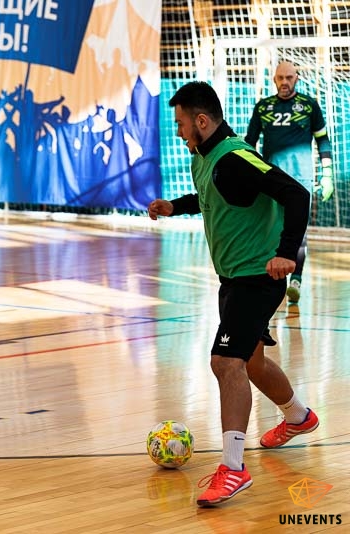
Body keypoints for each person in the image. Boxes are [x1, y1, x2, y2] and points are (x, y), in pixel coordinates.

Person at [148, 81, 320, 507]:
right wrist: (176, 206)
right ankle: (298, 416)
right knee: (252, 362)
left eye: (181, 124)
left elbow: (296, 194)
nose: (179, 132)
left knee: (225, 362)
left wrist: (286, 253)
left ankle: (233, 468)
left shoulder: (236, 157)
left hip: (257, 278)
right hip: (233, 279)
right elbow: (213, 196)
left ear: (202, 121)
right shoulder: (205, 158)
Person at [245, 61, 334, 304]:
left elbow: (322, 140)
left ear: (297, 78)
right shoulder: (263, 107)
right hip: (272, 179)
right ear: (274, 79)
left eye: (289, 77)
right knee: (271, 231)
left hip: (301, 178)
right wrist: (248, 173)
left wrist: (327, 173)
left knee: (298, 232)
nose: (285, 82)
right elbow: (249, 142)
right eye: (280, 78)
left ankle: (296, 280)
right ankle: (271, 281)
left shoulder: (309, 105)